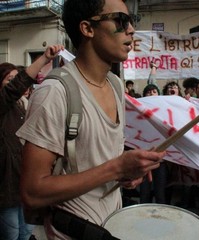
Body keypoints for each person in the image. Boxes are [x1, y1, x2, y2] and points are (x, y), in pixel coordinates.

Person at [16, 1, 165, 239]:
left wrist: (127, 173)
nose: (131, 30)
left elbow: (100, 164)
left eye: (131, 21)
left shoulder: (115, 85)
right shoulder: (55, 92)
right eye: (120, 20)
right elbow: (32, 192)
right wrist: (116, 167)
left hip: (108, 229)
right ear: (87, 29)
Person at [0, 44, 64, 240]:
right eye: (9, 80)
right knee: (12, 235)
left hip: (24, 185)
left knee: (26, 234)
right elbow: (15, 88)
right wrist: (44, 58)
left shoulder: (23, 106)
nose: (15, 84)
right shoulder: (2, 105)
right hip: (6, 188)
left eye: (15, 79)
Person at [139, 83, 169, 204]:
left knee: (160, 193)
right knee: (144, 193)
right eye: (148, 92)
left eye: (154, 92)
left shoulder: (165, 113)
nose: (151, 94)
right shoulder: (138, 114)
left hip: (160, 162)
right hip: (143, 160)